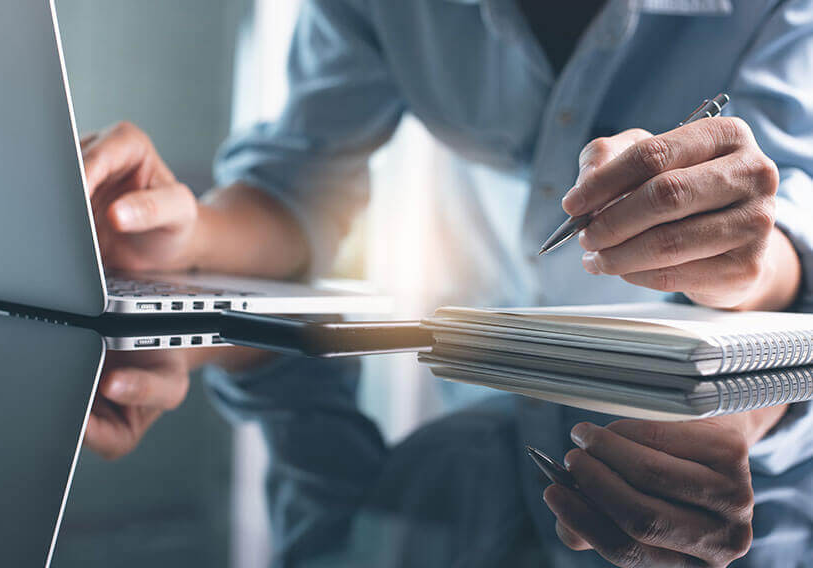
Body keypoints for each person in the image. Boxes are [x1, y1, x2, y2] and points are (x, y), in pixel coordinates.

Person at [82, 1, 813, 566]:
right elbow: (300, 181)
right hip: (481, 369)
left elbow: (788, 220)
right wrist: (191, 233)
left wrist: (756, 260)